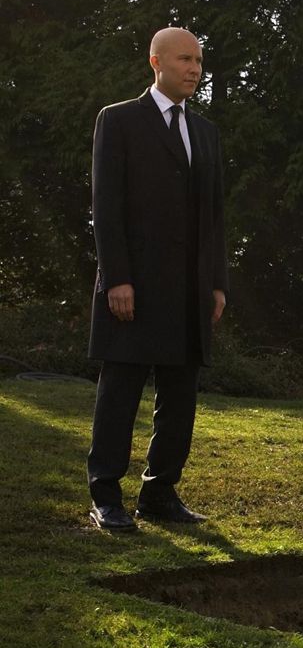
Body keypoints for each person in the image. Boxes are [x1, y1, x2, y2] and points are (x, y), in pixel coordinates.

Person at [86, 27, 228, 531]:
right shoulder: (119, 120)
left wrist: (216, 283)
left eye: (199, 62)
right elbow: (107, 207)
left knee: (180, 398)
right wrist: (117, 278)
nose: (195, 69)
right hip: (134, 288)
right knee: (120, 393)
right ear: (156, 62)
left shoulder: (207, 132)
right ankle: (106, 496)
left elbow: (213, 216)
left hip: (190, 292)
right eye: (186, 59)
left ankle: (160, 494)